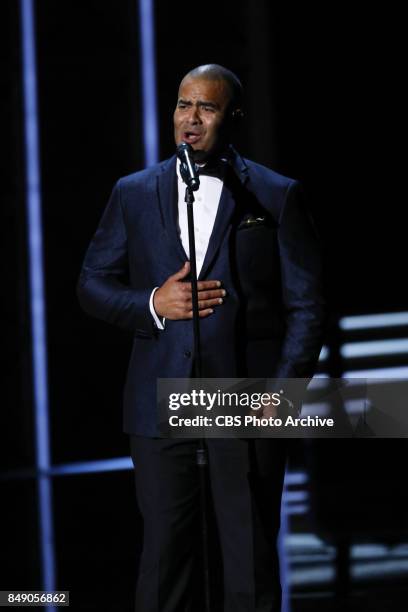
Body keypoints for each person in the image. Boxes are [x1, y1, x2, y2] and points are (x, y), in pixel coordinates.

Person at [77, 64, 326, 612]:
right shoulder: (134, 192)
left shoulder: (276, 195)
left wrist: (280, 398)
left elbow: (307, 307)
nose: (190, 119)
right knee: (165, 566)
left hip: (245, 402)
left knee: (250, 564)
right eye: (183, 105)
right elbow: (91, 284)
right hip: (161, 403)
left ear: (231, 117)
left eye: (206, 108)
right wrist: (150, 304)